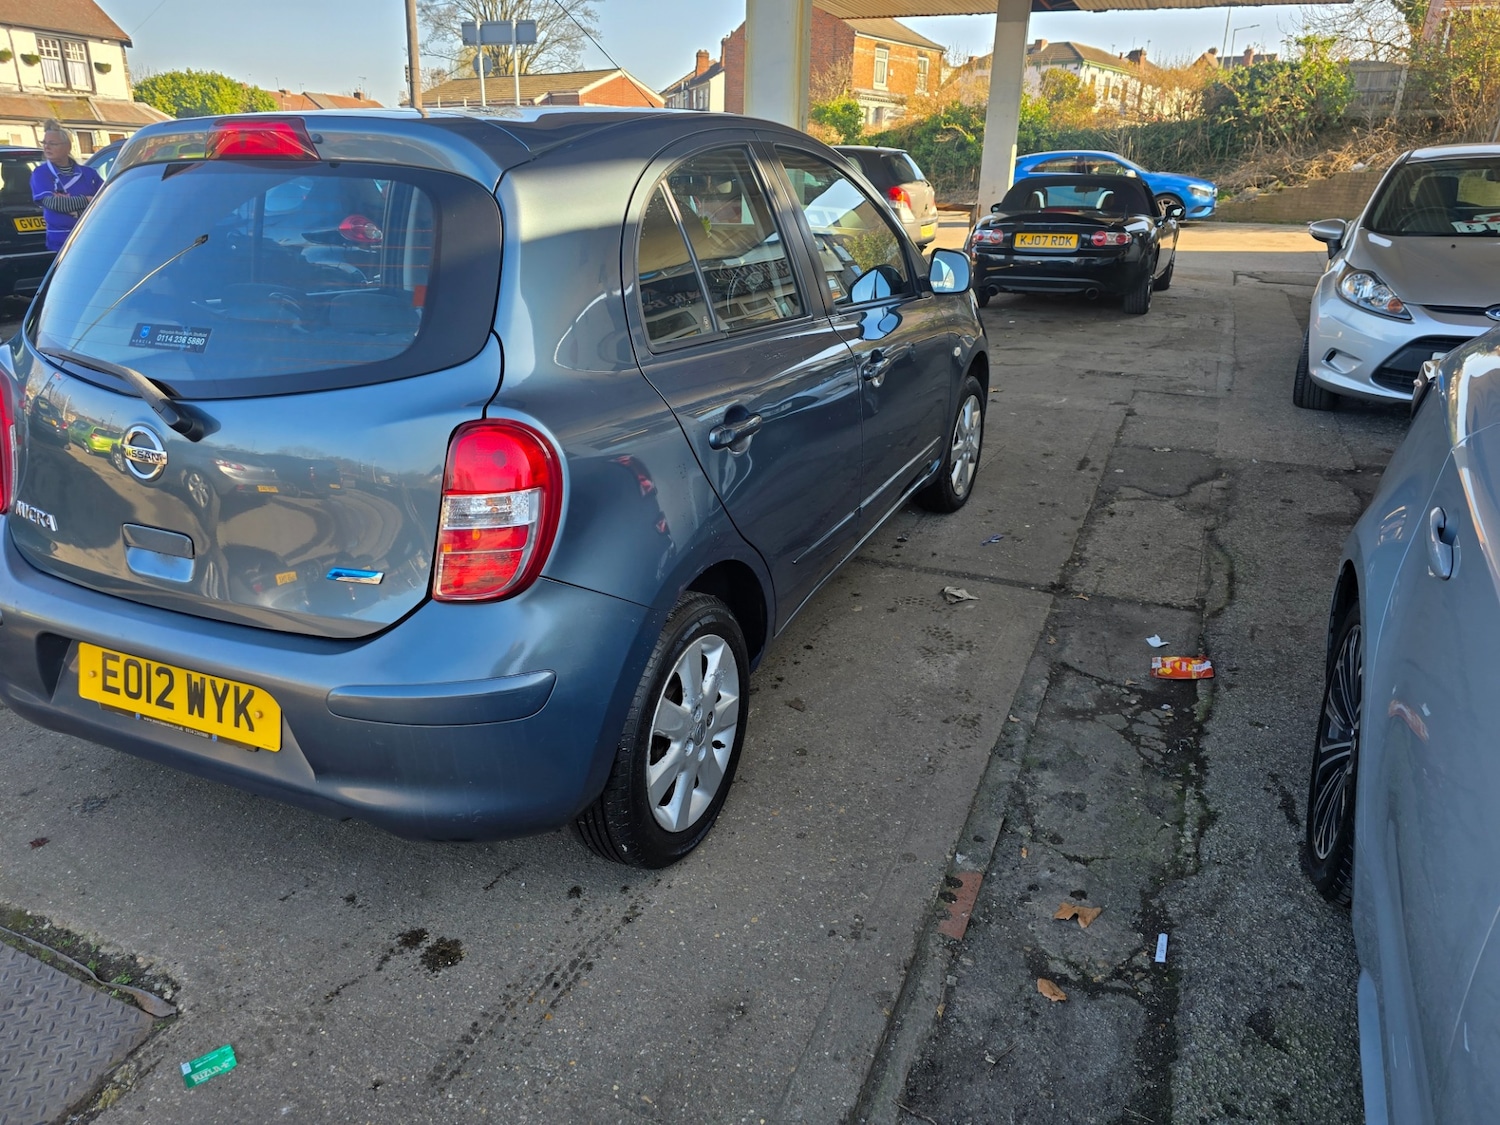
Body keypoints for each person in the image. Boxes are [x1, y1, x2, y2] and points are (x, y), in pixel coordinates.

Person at [30, 122, 104, 252]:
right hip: (61, 244)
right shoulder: (41, 173)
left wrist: (77, 209)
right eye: (44, 143)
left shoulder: (89, 174)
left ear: (68, 147)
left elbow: (105, 202)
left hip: (91, 237)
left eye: (53, 144)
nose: (46, 147)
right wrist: (88, 200)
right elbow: (54, 204)